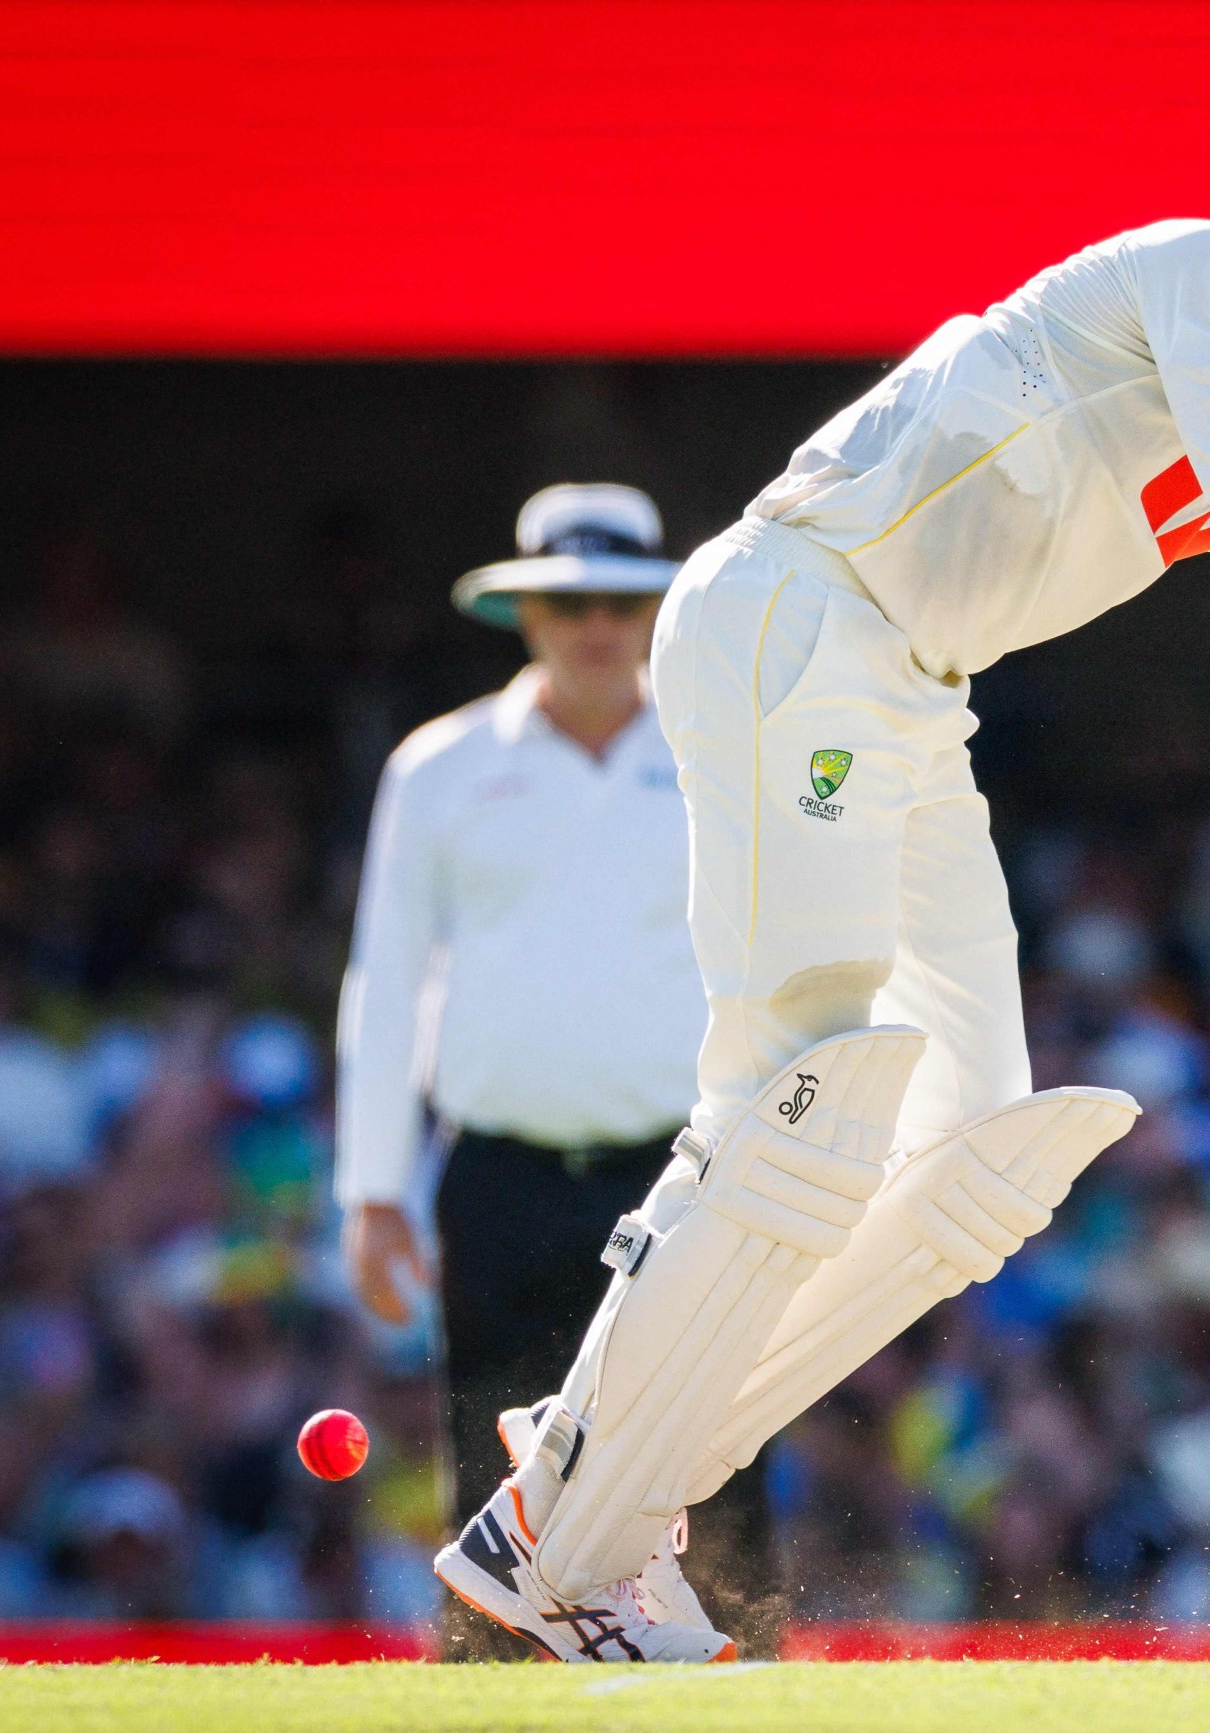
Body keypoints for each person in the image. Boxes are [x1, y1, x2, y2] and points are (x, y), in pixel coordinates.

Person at [431, 78, 1210, 1661]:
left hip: (907, 694)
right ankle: (556, 1523)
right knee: (798, 1088)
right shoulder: (1205, 283)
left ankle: (604, 1482)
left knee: (972, 1147)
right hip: (802, 617)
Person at [336, 485, 768, 1654]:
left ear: (653, 610)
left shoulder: (718, 750)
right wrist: (371, 1189)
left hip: (680, 1174)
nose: (595, 625)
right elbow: (383, 979)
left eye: (621, 600)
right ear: (524, 611)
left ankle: (738, 1676)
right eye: (569, 599)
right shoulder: (440, 767)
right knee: (491, 1456)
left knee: (703, 1449)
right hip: (499, 1178)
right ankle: (493, 1685)